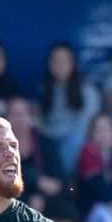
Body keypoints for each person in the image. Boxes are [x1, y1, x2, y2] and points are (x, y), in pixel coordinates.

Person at [5, 97, 75, 222]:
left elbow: (61, 182)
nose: (20, 119)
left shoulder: (46, 143)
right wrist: (36, 182)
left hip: (45, 200)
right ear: (6, 119)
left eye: (24, 114)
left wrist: (53, 187)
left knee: (69, 212)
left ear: (31, 117)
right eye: (15, 114)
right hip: (14, 200)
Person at [39, 42, 101, 174]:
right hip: (52, 141)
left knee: (74, 140)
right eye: (55, 60)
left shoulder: (87, 91)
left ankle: (65, 185)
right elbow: (41, 123)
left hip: (76, 144)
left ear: (74, 64)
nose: (60, 65)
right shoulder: (45, 88)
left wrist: (51, 134)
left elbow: (85, 128)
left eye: (64, 60)